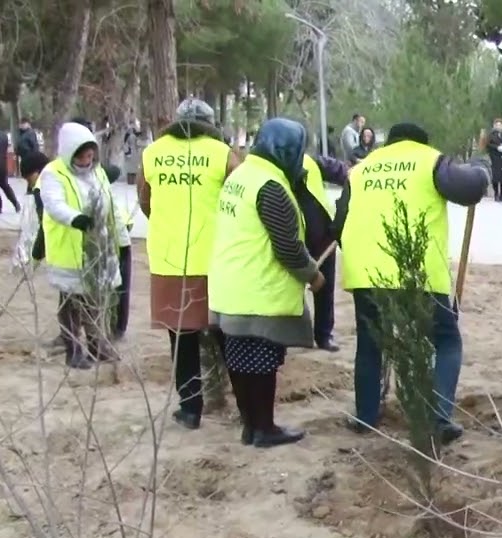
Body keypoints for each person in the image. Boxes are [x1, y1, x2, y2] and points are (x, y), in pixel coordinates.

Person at [334, 121, 490, 444]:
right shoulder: (430, 161)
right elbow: (471, 189)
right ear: (421, 141)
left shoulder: (363, 170)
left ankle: (365, 416)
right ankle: (437, 417)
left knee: (370, 342)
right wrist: (480, 166)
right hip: (415, 273)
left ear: (388, 143)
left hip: (365, 272)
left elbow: (339, 223)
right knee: (446, 340)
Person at [209, 118, 325, 448]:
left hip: (230, 286)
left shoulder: (242, 175)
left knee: (240, 362)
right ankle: (265, 428)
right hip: (258, 291)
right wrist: (313, 275)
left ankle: (251, 426)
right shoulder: (270, 185)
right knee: (261, 364)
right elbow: (288, 247)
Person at [138, 98, 241, 430]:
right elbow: (239, 199)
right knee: (228, 337)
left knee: (180, 340)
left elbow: (145, 200)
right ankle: (245, 405)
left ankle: (190, 409)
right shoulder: (222, 153)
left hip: (170, 261)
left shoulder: (153, 153)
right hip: (215, 259)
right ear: (210, 123)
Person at [38, 122, 129, 369]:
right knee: (71, 303)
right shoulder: (53, 173)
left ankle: (97, 345)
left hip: (98, 248)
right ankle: (73, 349)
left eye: (90, 155)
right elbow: (54, 205)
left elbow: (108, 203)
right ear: (70, 153)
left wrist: (120, 233)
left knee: (95, 301)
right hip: (70, 251)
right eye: (82, 156)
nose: (87, 160)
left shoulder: (97, 172)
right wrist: (76, 219)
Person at [296, 145, 351, 352]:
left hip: (322, 235)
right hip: (292, 236)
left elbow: (345, 173)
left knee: (325, 287)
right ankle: (287, 336)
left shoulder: (313, 162)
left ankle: (323, 334)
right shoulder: (273, 169)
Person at [9, 150, 51, 275]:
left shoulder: (43, 192)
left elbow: (43, 226)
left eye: (29, 179)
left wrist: (36, 254)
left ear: (38, 172)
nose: (29, 183)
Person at [486, 118, 502, 201]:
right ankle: (496, 193)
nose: (499, 127)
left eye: (500, 125)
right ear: (494, 126)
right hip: (495, 158)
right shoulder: (491, 135)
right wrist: (496, 147)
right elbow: (488, 145)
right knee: (496, 177)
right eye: (497, 125)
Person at [123, 118, 150, 185]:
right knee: (132, 169)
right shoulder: (132, 136)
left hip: (131, 155)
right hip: (132, 154)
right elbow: (136, 144)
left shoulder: (129, 136)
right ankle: (132, 181)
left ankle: (131, 181)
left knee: (131, 169)